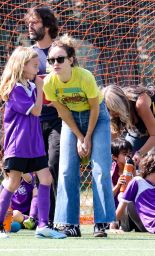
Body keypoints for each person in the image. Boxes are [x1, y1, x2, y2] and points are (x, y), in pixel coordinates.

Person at [0, 46, 66, 239]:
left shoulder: (30, 86)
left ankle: (42, 225)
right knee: (13, 182)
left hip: (35, 144)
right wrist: (41, 88)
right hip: (19, 144)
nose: (38, 67)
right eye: (34, 65)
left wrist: (40, 87)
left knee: (46, 179)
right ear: (22, 66)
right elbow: (36, 111)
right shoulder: (15, 88)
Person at [43, 34, 116, 238]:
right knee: (66, 170)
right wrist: (77, 135)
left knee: (100, 170)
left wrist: (88, 137)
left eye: (60, 59)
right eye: (51, 60)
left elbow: (95, 108)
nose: (55, 64)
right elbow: (63, 112)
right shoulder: (49, 83)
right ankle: (69, 224)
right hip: (71, 120)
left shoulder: (85, 77)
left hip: (97, 118)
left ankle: (101, 224)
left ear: (71, 60)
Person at [24, 7, 61, 227]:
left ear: (47, 26)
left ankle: (58, 218)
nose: (30, 26)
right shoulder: (27, 55)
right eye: (29, 22)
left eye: (35, 22)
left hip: (59, 118)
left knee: (55, 165)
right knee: (39, 169)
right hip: (34, 120)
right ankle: (42, 219)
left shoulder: (61, 52)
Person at [103, 84, 155, 164]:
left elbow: (154, 135)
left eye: (114, 109)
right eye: (109, 110)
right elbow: (113, 135)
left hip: (153, 133)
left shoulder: (140, 103)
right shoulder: (112, 112)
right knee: (128, 158)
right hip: (141, 132)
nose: (112, 113)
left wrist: (139, 153)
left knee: (150, 164)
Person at [116, 151, 155, 233]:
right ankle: (124, 226)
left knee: (123, 196)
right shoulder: (138, 182)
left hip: (149, 225)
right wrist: (113, 226)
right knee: (122, 196)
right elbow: (122, 204)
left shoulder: (138, 182)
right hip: (151, 224)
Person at [110, 138, 135, 231]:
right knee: (121, 195)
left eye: (130, 153)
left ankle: (125, 224)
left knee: (124, 196)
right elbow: (108, 196)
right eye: (125, 154)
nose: (129, 156)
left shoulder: (133, 167)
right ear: (115, 157)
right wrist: (117, 185)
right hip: (114, 209)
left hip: (130, 209)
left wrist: (134, 172)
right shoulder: (111, 172)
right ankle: (115, 222)